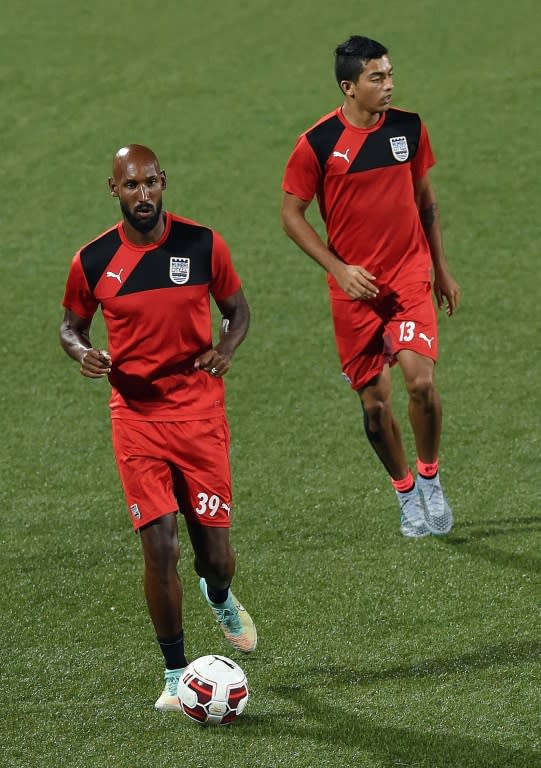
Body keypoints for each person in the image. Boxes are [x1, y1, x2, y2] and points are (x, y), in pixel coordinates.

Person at [59, 144, 257, 712]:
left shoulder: (202, 244)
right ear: (113, 190)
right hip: (137, 420)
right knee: (160, 548)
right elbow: (71, 325)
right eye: (131, 185)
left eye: (150, 183)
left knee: (214, 556)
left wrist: (225, 349)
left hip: (199, 417)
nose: (142, 194)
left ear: (163, 182)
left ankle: (217, 595)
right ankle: (175, 676)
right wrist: (82, 352)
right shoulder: (93, 260)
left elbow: (238, 310)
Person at [281, 36, 460, 538]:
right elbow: (290, 216)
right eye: (376, 78)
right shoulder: (316, 144)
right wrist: (338, 269)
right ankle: (404, 491)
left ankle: (430, 478)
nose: (388, 86)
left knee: (420, 383)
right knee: (376, 406)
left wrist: (441, 268)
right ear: (348, 86)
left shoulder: (408, 127)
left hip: (407, 274)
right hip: (355, 289)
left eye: (390, 75)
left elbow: (426, 202)